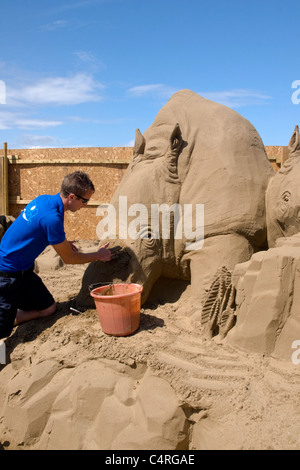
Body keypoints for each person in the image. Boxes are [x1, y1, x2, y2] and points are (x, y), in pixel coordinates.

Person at [0, 171, 119, 340]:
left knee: (49, 308)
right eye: (84, 201)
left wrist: (60, 242)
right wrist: (98, 255)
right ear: (72, 197)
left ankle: (12, 317)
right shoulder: (52, 218)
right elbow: (69, 259)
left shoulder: (45, 200)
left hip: (24, 272)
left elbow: (32, 231)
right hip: (6, 275)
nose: (85, 205)